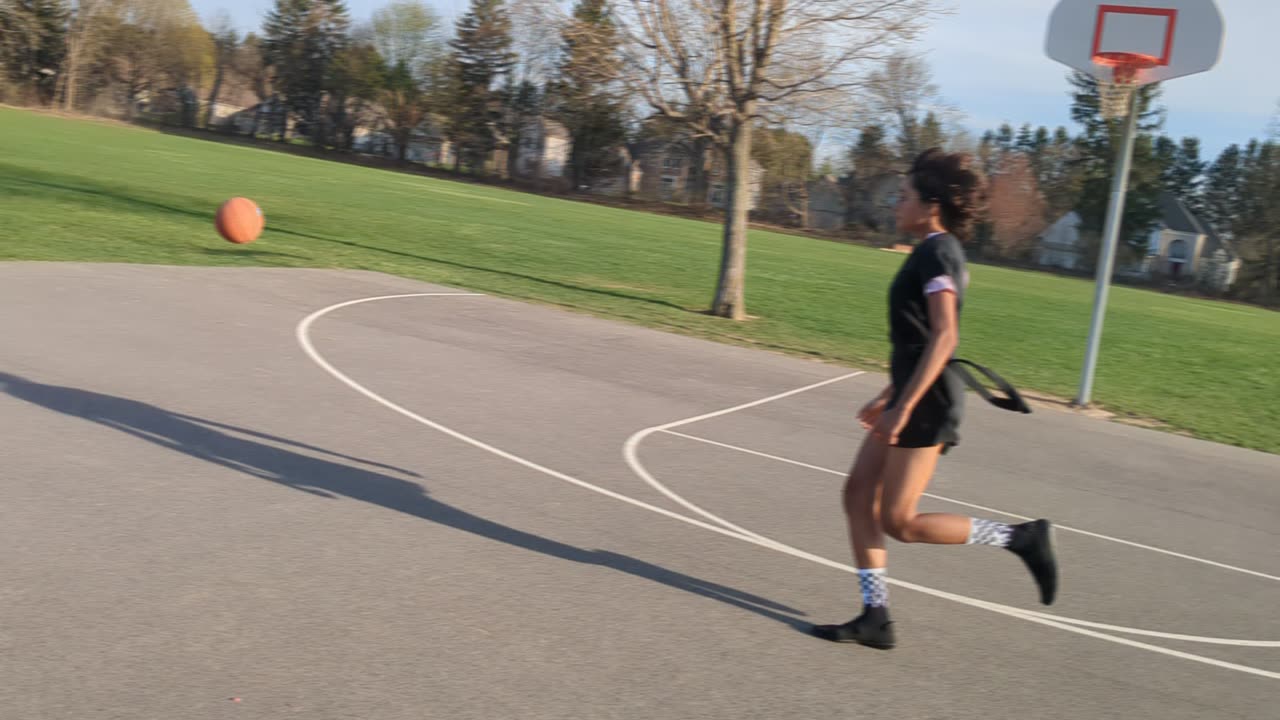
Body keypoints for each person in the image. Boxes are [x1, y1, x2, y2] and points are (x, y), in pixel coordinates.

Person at [810, 148, 1058, 650]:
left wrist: (902, 406)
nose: (896, 205)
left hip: (926, 405)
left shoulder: (938, 253)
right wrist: (889, 393)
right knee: (858, 493)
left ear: (931, 205)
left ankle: (1019, 538)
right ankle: (875, 615)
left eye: (904, 197)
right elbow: (918, 340)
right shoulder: (929, 251)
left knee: (899, 520)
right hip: (910, 394)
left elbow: (945, 337)